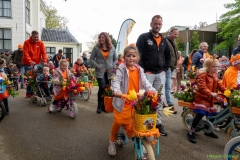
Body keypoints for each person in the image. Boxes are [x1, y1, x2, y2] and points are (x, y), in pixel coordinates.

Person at [108, 46, 156, 156]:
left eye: (133, 56)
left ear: (137, 57)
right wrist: (116, 91)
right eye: (128, 56)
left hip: (136, 101)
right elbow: (116, 80)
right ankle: (112, 141)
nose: (131, 58)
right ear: (124, 57)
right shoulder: (122, 68)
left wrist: (152, 90)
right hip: (123, 100)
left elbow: (145, 82)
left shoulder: (139, 69)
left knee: (138, 123)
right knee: (119, 122)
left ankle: (140, 143)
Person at [136, 15, 171, 136]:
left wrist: (165, 69)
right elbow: (137, 53)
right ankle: (144, 122)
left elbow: (168, 56)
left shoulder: (164, 40)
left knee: (159, 99)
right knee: (145, 99)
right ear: (151, 24)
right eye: (155, 24)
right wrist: (142, 69)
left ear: (162, 25)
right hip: (147, 74)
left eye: (159, 24)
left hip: (160, 74)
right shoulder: (144, 37)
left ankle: (158, 123)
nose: (157, 26)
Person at [187, 57, 226, 143]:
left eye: (218, 66)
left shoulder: (215, 75)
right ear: (209, 67)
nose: (218, 68)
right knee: (201, 113)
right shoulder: (202, 75)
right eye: (216, 66)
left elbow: (219, 85)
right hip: (201, 98)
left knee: (213, 114)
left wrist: (227, 91)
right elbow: (202, 86)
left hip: (210, 99)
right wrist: (210, 93)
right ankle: (191, 131)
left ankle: (208, 131)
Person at [90, 32, 117, 114]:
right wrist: (96, 65)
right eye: (100, 37)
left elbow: (115, 59)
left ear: (106, 38)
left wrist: (113, 65)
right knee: (102, 87)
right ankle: (99, 106)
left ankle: (105, 106)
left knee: (107, 88)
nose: (101, 39)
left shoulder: (112, 47)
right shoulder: (96, 48)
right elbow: (91, 59)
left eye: (103, 37)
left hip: (109, 71)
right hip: (100, 71)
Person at [22, 30, 48, 98]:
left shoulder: (41, 43)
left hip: (37, 63)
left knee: (38, 77)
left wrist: (45, 61)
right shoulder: (26, 42)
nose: (36, 39)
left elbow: (43, 52)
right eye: (34, 37)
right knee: (30, 78)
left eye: (37, 37)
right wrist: (30, 61)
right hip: (27, 63)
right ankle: (29, 93)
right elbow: (26, 53)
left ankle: (37, 91)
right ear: (31, 36)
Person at [164, 28, 179, 114]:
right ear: (170, 33)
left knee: (166, 87)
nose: (176, 36)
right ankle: (170, 104)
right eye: (174, 34)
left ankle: (163, 103)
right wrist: (166, 66)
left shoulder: (172, 42)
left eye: (177, 34)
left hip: (170, 67)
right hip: (167, 67)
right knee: (166, 87)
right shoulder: (166, 41)